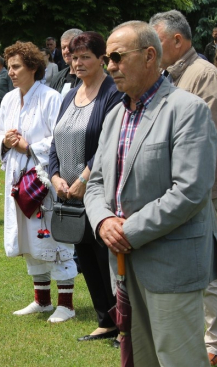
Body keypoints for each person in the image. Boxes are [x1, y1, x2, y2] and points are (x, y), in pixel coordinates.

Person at [84, 20, 217, 366]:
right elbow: (96, 182)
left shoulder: (188, 110)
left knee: (179, 360)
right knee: (141, 359)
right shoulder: (115, 115)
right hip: (125, 266)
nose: (109, 65)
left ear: (149, 56)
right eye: (107, 58)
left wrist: (124, 230)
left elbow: (189, 191)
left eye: (116, 57)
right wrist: (102, 222)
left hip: (171, 265)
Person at [0, 41, 77, 323]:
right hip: (17, 176)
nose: (11, 72)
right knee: (28, 237)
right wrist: (5, 140)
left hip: (43, 177)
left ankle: (66, 302)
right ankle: (42, 300)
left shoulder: (51, 98)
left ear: (33, 67)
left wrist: (29, 146)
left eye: (16, 67)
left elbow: (61, 136)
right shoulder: (8, 99)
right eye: (10, 67)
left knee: (51, 234)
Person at [149, 9, 217, 366]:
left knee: (209, 269)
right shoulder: (166, 75)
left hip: (204, 191)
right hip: (171, 190)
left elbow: (200, 138)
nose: (152, 51)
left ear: (177, 40)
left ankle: (213, 343)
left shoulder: (203, 74)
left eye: (156, 42)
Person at [49, 32, 122, 336]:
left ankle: (124, 325)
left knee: (106, 258)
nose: (78, 63)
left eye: (85, 57)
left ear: (102, 59)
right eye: (74, 57)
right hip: (69, 195)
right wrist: (55, 178)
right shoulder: (69, 95)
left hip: (99, 192)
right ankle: (105, 320)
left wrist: (82, 179)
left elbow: (109, 144)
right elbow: (55, 141)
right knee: (86, 257)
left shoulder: (112, 93)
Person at [49, 29, 83, 96]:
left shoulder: (92, 77)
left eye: (70, 46)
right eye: (63, 48)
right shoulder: (57, 78)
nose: (66, 51)